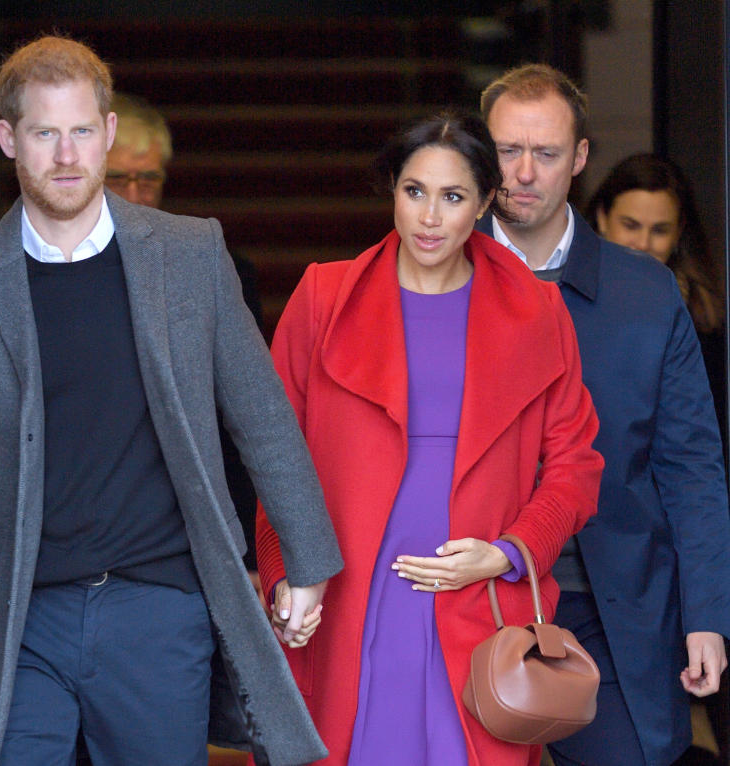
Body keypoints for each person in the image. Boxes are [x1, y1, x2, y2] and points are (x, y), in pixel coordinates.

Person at [0, 35, 343, 766]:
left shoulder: (189, 256)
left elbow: (262, 416)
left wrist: (305, 559)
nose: (65, 154)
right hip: (16, 617)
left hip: (157, 606)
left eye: (82, 130)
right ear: (7, 140)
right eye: (44, 133)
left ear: (109, 134)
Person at [256, 111, 603, 766]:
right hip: (348, 602)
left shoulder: (538, 313)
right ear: (392, 190)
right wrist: (285, 575)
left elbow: (575, 463)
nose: (430, 217)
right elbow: (277, 459)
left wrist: (507, 553)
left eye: (453, 197)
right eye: (414, 191)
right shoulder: (323, 297)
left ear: (484, 204)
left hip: (474, 605)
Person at [477, 63, 730, 766]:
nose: (524, 173)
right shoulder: (436, 271)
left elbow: (691, 468)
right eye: (506, 150)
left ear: (581, 158)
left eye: (547, 153)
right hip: (469, 599)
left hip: (612, 608)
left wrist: (708, 615)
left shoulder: (645, 293)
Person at [104, 92, 266, 591]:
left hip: (189, 533)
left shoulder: (217, 271)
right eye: (118, 179)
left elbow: (242, 423)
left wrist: (251, 556)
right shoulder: (51, 275)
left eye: (148, 178)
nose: (135, 194)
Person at [587, 153, 727, 454]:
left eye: (659, 230)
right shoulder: (568, 297)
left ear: (678, 234)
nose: (643, 243)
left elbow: (704, 440)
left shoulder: (703, 320)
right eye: (630, 225)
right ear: (602, 219)